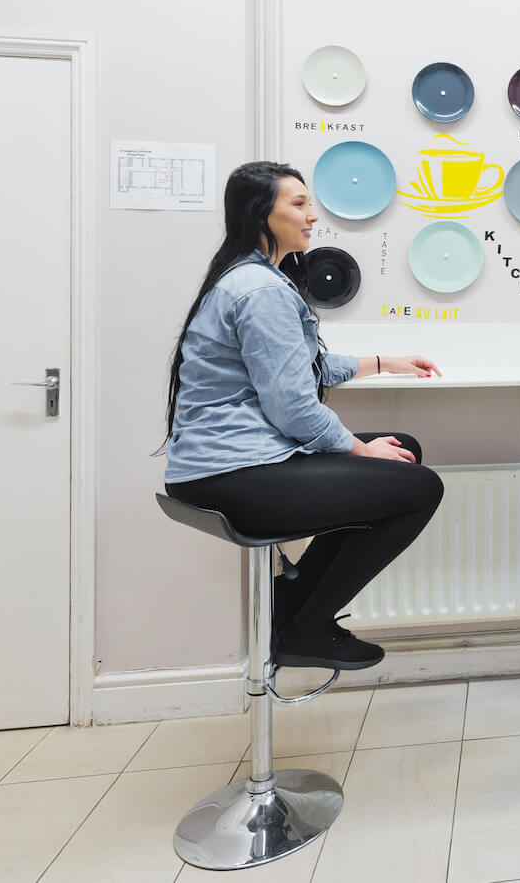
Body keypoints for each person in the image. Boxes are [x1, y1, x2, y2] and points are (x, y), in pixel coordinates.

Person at [163, 162, 445, 670]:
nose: (312, 216)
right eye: (298, 204)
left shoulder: (250, 277)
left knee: (401, 448)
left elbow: (298, 366)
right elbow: (292, 406)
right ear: (260, 214)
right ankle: (305, 623)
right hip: (232, 474)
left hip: (227, 467)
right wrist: (361, 450)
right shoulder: (262, 290)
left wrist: (383, 363)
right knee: (419, 485)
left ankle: (293, 614)